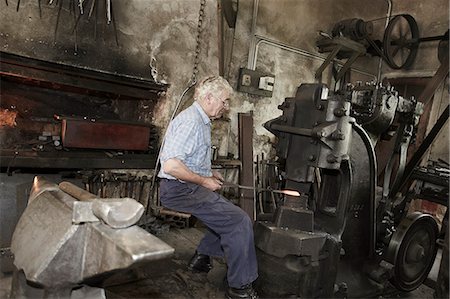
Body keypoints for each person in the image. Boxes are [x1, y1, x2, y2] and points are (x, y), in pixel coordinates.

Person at [158, 76, 258, 299]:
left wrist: (207, 172)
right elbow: (172, 165)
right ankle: (240, 289)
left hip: (186, 187)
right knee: (239, 221)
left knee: (224, 213)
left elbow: (187, 158)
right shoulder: (191, 121)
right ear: (209, 98)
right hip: (179, 190)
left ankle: (201, 260)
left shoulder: (200, 120)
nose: (226, 106)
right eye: (224, 101)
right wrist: (203, 181)